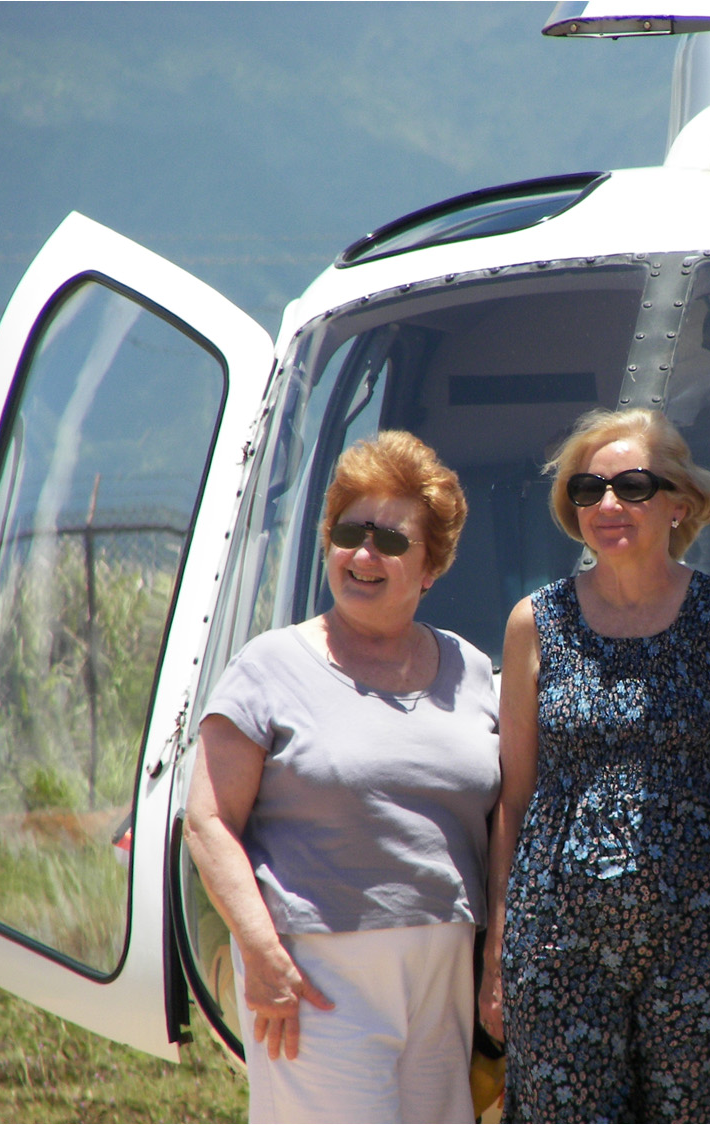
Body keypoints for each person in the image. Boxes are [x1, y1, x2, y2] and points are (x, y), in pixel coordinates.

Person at [478, 407, 710, 1123]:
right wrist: (498, 949)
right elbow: (516, 799)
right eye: (589, 490)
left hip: (698, 934)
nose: (608, 505)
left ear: (678, 502)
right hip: (557, 934)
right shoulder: (535, 620)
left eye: (631, 485)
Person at [185, 431, 500, 1124]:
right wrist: (261, 951)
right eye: (350, 530)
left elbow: (508, 814)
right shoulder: (269, 665)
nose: (364, 553)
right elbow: (207, 821)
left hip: (444, 969)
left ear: (431, 566)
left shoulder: (472, 670)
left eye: (390, 539)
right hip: (314, 973)